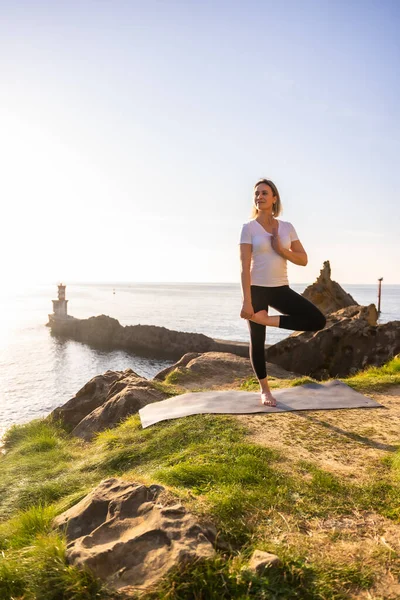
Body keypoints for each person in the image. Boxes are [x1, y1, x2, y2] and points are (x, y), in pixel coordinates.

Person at [239, 179, 326, 407]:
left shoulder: (287, 227)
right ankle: (265, 390)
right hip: (257, 289)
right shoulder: (248, 228)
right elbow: (244, 266)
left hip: (281, 288)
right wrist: (247, 302)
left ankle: (270, 321)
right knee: (257, 341)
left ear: (274, 197)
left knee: (317, 320)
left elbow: (303, 259)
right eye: (256, 194)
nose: (260, 197)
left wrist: (281, 249)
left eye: (264, 193)